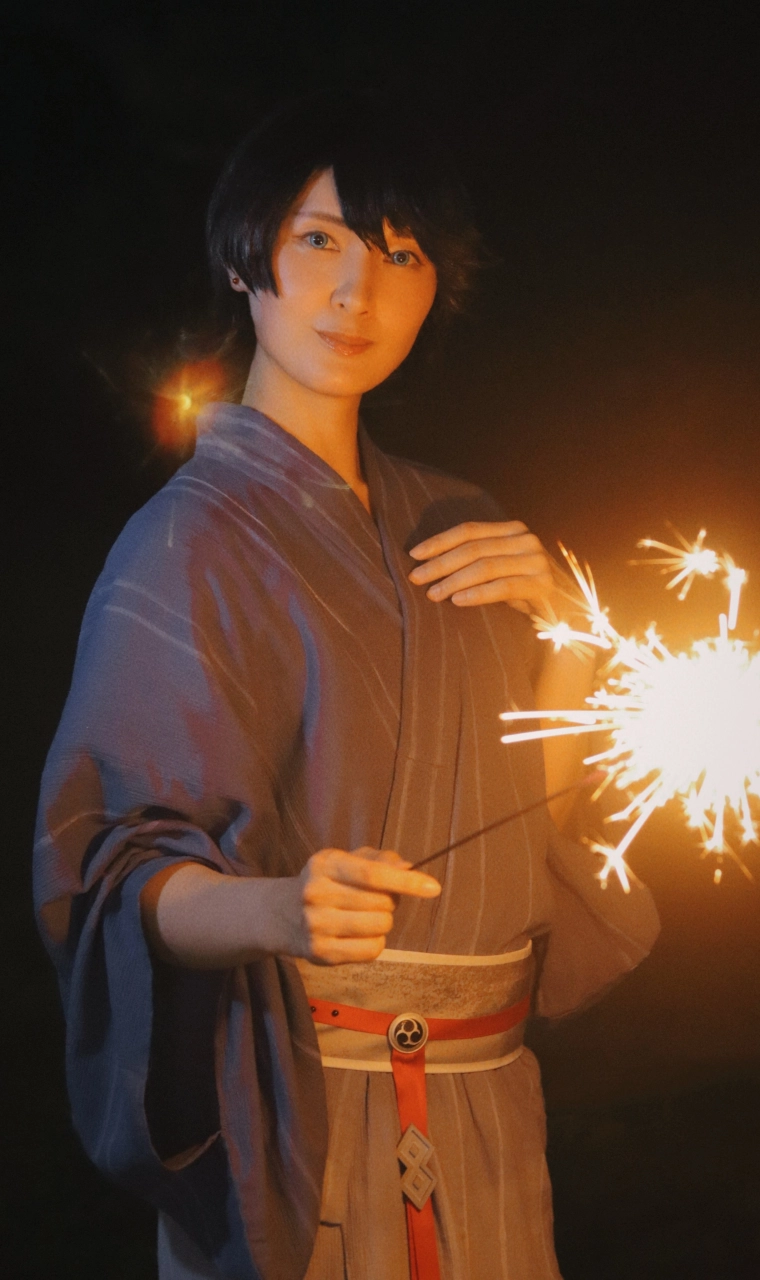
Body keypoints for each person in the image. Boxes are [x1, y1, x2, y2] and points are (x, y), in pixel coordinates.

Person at [34, 93, 659, 1280]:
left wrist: (570, 637)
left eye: (400, 254)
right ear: (243, 255)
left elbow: (530, 829)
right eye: (318, 238)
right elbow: (114, 869)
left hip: (488, 1117)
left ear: (438, 288)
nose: (354, 292)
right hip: (301, 1122)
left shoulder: (459, 520)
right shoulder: (184, 544)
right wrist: (278, 910)